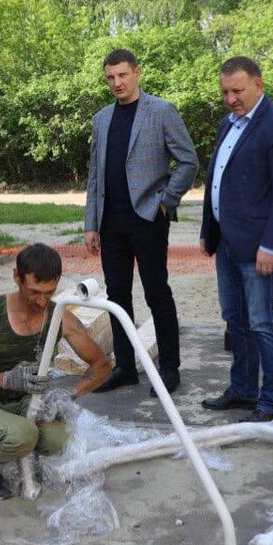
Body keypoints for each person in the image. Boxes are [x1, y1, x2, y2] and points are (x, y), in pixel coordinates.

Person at [0, 244, 111, 500]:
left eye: (49, 292)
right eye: (34, 291)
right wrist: (5, 379)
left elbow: (102, 365)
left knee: (57, 441)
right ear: (17, 277)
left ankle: (21, 449)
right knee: (23, 436)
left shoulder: (60, 316)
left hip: (27, 401)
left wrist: (69, 393)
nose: (41, 301)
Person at [84, 49, 198, 396]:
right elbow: (94, 176)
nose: (116, 83)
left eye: (122, 75)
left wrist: (166, 201)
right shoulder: (101, 119)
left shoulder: (161, 111)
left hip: (148, 218)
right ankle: (125, 367)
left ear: (137, 73)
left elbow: (188, 161)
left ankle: (169, 369)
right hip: (110, 224)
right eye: (110, 77)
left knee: (156, 292)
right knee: (117, 295)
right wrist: (91, 223)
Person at [199, 57, 273, 424]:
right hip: (227, 243)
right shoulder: (227, 125)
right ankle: (243, 389)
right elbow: (219, 180)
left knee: (264, 323)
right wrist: (208, 231)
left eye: (237, 91)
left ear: (258, 85)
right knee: (236, 320)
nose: (230, 99)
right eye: (225, 92)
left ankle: (272, 401)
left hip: (260, 247)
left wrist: (272, 246)